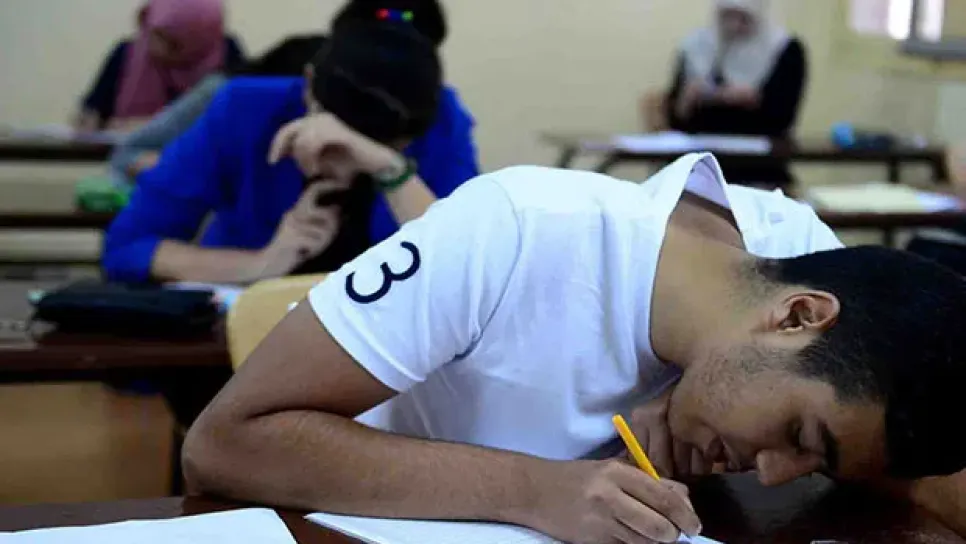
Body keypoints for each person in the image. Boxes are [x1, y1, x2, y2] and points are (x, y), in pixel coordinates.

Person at [181, 149, 966, 542]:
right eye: (796, 434)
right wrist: (539, 490)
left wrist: (691, 386)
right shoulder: (514, 230)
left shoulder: (800, 249)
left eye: (811, 461)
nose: (770, 472)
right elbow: (223, 444)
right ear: (795, 317)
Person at [108, 0, 450, 184]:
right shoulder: (240, 97)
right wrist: (193, 168)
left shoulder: (432, 107)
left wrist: (390, 170)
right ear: (310, 83)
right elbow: (132, 243)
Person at [666, 0, 806, 188]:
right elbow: (676, 120)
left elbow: (781, 121)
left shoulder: (784, 50)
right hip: (697, 168)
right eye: (727, 16)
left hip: (758, 171)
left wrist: (754, 100)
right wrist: (687, 100)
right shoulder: (695, 48)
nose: (733, 26)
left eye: (743, 18)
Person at [74, 0, 244, 132]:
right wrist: (88, 121)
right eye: (154, 33)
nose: (155, 47)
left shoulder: (226, 54)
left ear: (200, 36)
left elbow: (239, 118)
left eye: (169, 39)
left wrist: (154, 127)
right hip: (132, 162)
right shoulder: (127, 53)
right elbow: (91, 112)